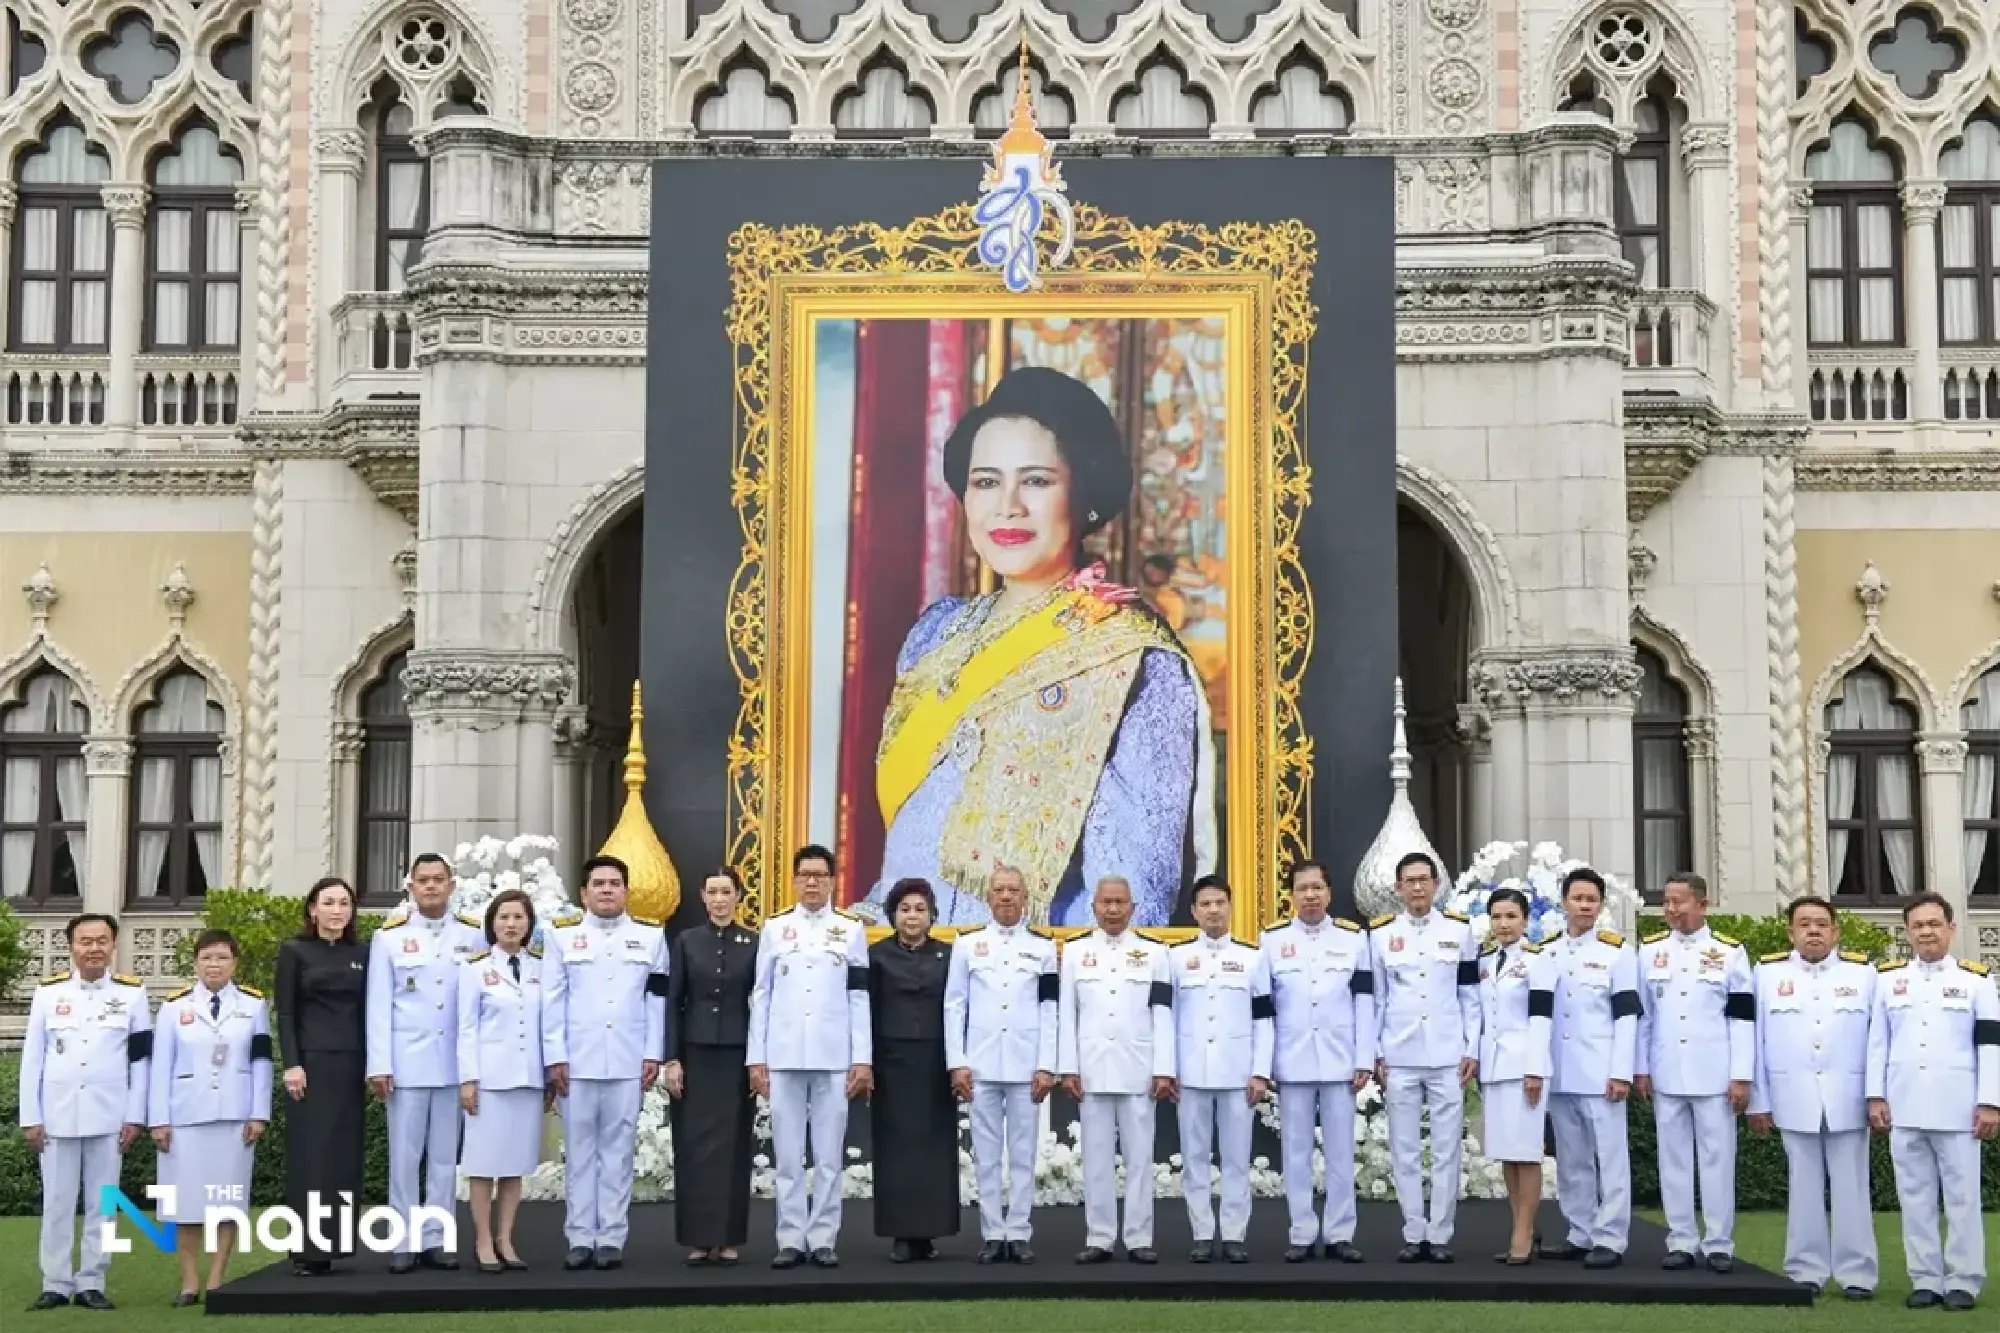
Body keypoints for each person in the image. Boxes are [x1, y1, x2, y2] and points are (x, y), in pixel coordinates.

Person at [867, 365, 1215, 928]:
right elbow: (903, 854)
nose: (1008, 506)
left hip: (1033, 979)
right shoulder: (934, 634)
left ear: (1085, 494)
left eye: (1035, 480)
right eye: (985, 482)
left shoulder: (1131, 656)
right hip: (911, 965)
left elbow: (1130, 891)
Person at [1867, 892, 1999, 1312]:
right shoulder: (1886, 979)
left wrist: (1990, 1102)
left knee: (1962, 1198)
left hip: (1959, 1107)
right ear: (1908, 932)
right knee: (1914, 1196)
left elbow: (1991, 1045)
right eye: (1918, 925)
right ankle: (1925, 1277)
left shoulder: (1977, 979)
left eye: (1934, 924)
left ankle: (1964, 1280)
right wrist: (1875, 1095)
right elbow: (1876, 1043)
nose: (1926, 931)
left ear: (1951, 929)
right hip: (1905, 1105)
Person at [542, 854, 668, 1272]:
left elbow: (657, 1001)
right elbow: (552, 1001)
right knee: (579, 1152)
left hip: (628, 1060)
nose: (607, 890)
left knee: (618, 1151)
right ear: (584, 893)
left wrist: (653, 1052)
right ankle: (580, 1237)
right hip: (577, 1063)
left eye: (615, 883)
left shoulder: (651, 938)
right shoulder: (562, 938)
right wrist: (555, 1056)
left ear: (626, 891)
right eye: (599, 883)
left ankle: (611, 1236)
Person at [1747, 896, 1878, 1300]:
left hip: (1849, 1096)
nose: (1814, 931)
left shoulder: (1864, 974)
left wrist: (1877, 1096)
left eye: (1822, 924)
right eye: (1805, 924)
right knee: (1802, 1185)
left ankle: (1857, 1273)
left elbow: (1878, 1041)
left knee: (1851, 1186)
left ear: (1836, 931)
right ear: (1791, 932)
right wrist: (1758, 1100)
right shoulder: (1767, 974)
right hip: (1793, 1094)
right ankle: (1805, 1268)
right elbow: (1756, 1042)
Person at [749, 844, 873, 1269]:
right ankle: (789, 1238)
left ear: (833, 881)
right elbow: (761, 997)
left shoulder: (850, 930)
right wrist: (756, 1058)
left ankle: (822, 1238)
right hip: (783, 1054)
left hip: (834, 1055)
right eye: (805, 874)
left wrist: (863, 1058)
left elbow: (859, 997)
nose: (813, 881)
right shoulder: (775, 929)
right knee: (786, 1155)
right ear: (796, 880)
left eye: (821, 874)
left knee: (827, 1156)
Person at [20, 913, 151, 1312]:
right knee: (58, 1202)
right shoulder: (48, 993)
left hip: (110, 1115)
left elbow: (141, 1060)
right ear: (71, 946)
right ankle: (56, 1282)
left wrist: (135, 1115)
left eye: (101, 941)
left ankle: (93, 1280)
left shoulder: (133, 994)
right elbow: (33, 1059)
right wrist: (31, 1116)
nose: (93, 948)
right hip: (58, 1114)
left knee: (103, 1202)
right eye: (85, 941)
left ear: (114, 945)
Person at [366, 852, 486, 1272]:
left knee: (443, 1157)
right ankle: (402, 1239)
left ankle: (437, 1238)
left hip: (453, 1064)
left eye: (439, 879)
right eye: (424, 880)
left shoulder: (472, 935)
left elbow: (479, 1004)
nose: (432, 886)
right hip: (407, 1063)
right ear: (411, 886)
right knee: (404, 1154)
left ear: (452, 885)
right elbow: (378, 1006)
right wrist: (379, 1064)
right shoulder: (390, 937)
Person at [1636, 871, 1755, 1273]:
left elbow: (1742, 1019)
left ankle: (1719, 1242)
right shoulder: (1650, 952)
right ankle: (1682, 1240)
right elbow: (1645, 1017)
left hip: (1715, 1074)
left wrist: (1741, 1075)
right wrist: (1641, 1068)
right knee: (1673, 1159)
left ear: (1702, 904)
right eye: (1666, 901)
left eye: (1679, 901)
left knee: (1718, 1159)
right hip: (1667, 1070)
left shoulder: (1730, 952)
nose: (1670, 909)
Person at [147, 929, 271, 1305]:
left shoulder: (252, 1005)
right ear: (196, 962)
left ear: (235, 962)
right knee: (185, 1205)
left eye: (222, 957)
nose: (214, 965)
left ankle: (217, 1276)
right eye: (207, 958)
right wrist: (158, 1120)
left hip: (235, 1115)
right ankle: (188, 1281)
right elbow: (160, 1067)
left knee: (227, 1201)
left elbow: (262, 1061)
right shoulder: (173, 1008)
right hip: (185, 1117)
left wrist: (259, 1113)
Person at [1260, 858, 1374, 1264]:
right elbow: (1265, 1009)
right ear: (1291, 895)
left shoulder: (1353, 939)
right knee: (1295, 1151)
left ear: (1328, 893)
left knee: (1341, 1151)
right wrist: (1266, 1062)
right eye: (1302, 889)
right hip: (1291, 1062)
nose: (1310, 896)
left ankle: (1341, 1232)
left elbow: (1365, 1002)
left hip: (1340, 1060)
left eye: (1317, 888)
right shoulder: (1270, 940)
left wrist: (1365, 1058)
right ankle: (1303, 1232)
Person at [943, 864, 1057, 1264]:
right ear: (988, 897)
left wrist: (1047, 1064)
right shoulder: (967, 945)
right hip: (981, 1065)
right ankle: (993, 1233)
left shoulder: (1043, 949)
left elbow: (1050, 1011)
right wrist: (957, 1062)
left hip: (1027, 1066)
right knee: (986, 1156)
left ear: (1026, 899)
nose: (1006, 896)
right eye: (999, 890)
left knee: (1024, 1154)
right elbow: (955, 1006)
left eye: (1014, 890)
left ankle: (1020, 1232)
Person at [1370, 851, 1480, 1263]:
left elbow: (1470, 996)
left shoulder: (1459, 931)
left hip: (1448, 1053)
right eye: (1409, 881)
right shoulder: (1379, 935)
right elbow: (1378, 999)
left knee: (1447, 1147)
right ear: (1398, 889)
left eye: (1424, 880)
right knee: (1405, 1147)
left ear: (1436, 885)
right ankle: (1413, 1231)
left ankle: (1440, 1234)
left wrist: (1473, 1048)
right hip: (1399, 1053)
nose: (1417, 888)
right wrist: (1375, 1052)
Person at [1058, 875, 1175, 1264]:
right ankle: (1100, 1236)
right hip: (1091, 1069)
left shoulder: (1155, 953)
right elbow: (1065, 1016)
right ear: (1093, 907)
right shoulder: (1074, 952)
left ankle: (1140, 1237)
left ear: (1132, 908)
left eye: (1119, 902)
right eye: (1105, 902)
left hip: (1138, 1068)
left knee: (1141, 1157)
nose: (1112, 909)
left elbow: (1163, 1015)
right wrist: (1067, 1068)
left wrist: (1164, 1069)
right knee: (1096, 1157)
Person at [1538, 867, 1640, 1269]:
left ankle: (1611, 1238)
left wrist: (1621, 1072)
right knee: (1571, 1158)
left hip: (1602, 1073)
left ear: (1601, 905)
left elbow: (1627, 1016)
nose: (1584, 905)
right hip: (1562, 1072)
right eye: (1577, 898)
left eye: (1591, 899)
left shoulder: (1617, 952)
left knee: (1610, 1158)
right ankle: (1579, 1232)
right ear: (1564, 902)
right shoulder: (1546, 951)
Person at [1169, 875, 1273, 1264]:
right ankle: (1200, 1234)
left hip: (1237, 1073)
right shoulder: (1175, 957)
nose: (1213, 910)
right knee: (1194, 1158)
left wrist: (1260, 1071)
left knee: (1235, 1158)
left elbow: (1264, 1019)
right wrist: (1169, 1069)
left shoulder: (1253, 957)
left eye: (1220, 903)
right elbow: (1168, 1018)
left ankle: (1233, 1234)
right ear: (1194, 911)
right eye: (1206, 904)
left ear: (1231, 907)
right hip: (1191, 1074)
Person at [664, 867, 760, 1267]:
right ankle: (699, 1238)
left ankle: (729, 1237)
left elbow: (764, 1003)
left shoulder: (755, 943)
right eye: (713, 892)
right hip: (695, 1053)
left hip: (738, 1054)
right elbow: (673, 1002)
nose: (720, 899)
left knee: (735, 1146)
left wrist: (760, 1059)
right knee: (694, 1146)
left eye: (727, 892)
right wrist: (672, 1058)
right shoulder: (687, 942)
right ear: (702, 896)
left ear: (738, 896)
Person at [275, 877, 368, 1277]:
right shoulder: (295, 952)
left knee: (343, 1158)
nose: (336, 910)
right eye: (328, 902)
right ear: (312, 909)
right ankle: (308, 1248)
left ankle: (337, 1245)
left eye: (344, 902)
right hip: (310, 1066)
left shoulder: (363, 952)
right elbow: (286, 1012)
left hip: (352, 1064)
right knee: (312, 1156)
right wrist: (292, 1064)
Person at [868, 878, 961, 1261]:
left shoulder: (950, 955)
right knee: (898, 1151)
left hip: (937, 1065)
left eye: (920, 909)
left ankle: (930, 1233)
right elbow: (865, 1013)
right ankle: (902, 1235)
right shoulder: (876, 956)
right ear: (892, 915)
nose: (912, 916)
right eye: (905, 909)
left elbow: (958, 1010)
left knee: (934, 1150)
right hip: (892, 1066)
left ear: (932, 915)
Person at [456, 889, 547, 1274]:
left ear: (529, 924)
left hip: (528, 1078)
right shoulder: (475, 967)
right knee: (484, 1164)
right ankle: (481, 1240)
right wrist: (468, 1079)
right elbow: (466, 1028)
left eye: (519, 918)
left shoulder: (541, 966)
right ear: (491, 923)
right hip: (489, 1079)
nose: (511, 925)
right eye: (504, 917)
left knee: (515, 1165)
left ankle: (506, 1238)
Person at [1475, 888, 1555, 1265]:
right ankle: (1523, 1225)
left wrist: (1535, 1069)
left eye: (1511, 916)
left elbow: (1541, 1018)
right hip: (1494, 1066)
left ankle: (1522, 1233)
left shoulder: (1539, 960)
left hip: (1525, 1066)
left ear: (1526, 920)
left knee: (1526, 1154)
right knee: (1507, 1154)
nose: (1503, 924)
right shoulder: (1486, 961)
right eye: (1497, 917)